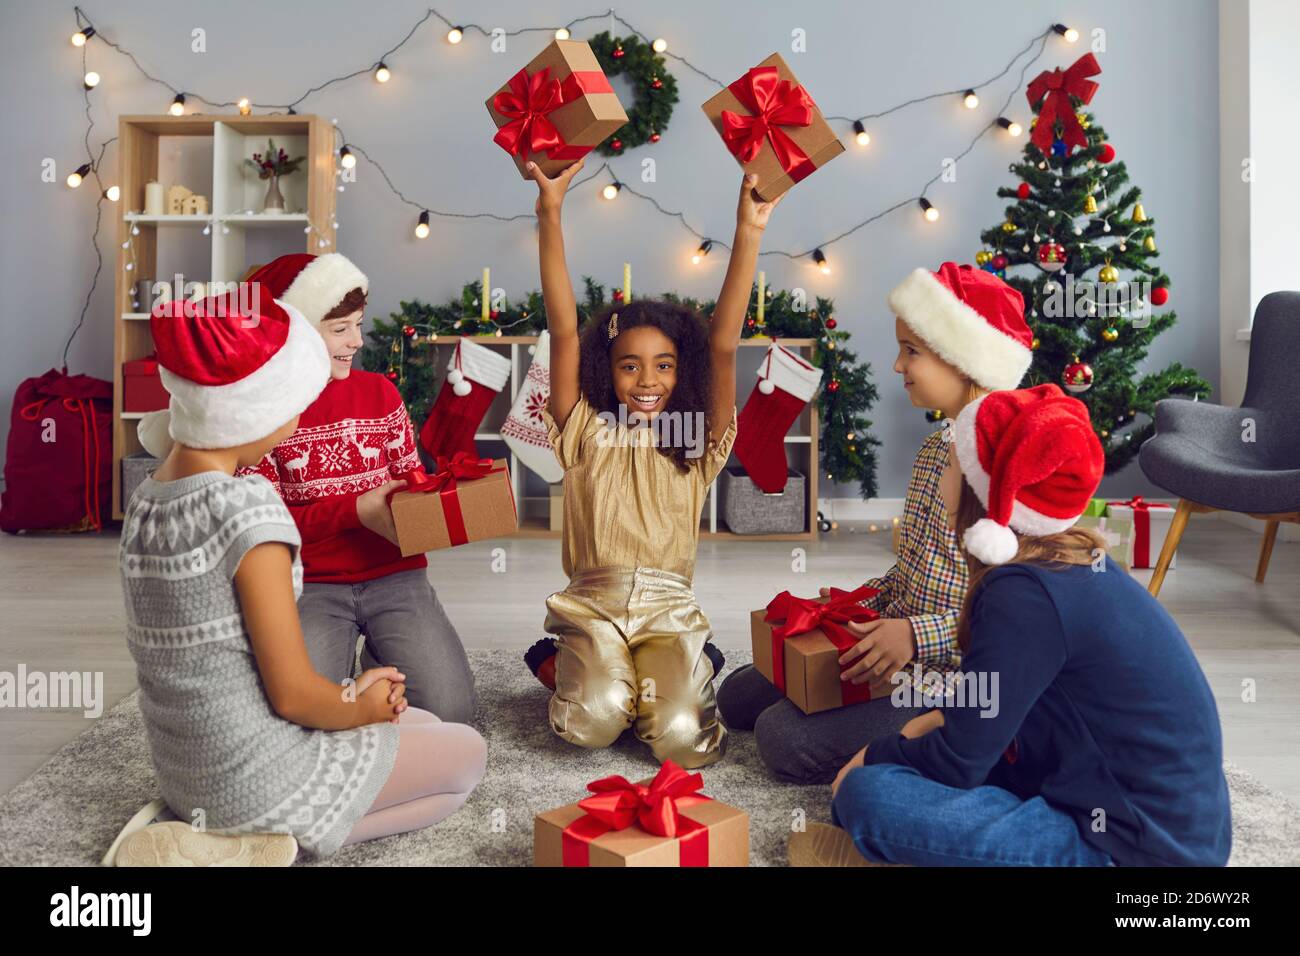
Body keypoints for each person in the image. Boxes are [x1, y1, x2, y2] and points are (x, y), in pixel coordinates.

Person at [115, 290, 485, 865]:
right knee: (466, 757)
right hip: (258, 773)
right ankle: (233, 843)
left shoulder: (145, 500)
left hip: (185, 775)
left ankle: (218, 829)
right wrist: (355, 704)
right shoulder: (249, 510)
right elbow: (292, 696)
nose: (294, 422)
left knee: (429, 717)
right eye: (290, 404)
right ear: (251, 408)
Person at [796, 384, 1232, 867]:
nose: (941, 481)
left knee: (870, 795)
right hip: (1144, 815)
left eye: (951, 467)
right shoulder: (1067, 563)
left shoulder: (1022, 595)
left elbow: (960, 763)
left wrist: (877, 755)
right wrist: (929, 724)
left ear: (985, 495)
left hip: (1132, 849)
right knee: (917, 756)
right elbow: (994, 706)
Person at [718, 263, 1034, 783]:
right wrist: (860, 603)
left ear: (964, 359)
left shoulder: (1006, 470)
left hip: (956, 682)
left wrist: (914, 635)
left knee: (782, 737)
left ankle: (961, 750)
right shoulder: (938, 448)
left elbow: (1019, 625)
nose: (896, 365)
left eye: (912, 351)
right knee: (738, 696)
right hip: (900, 645)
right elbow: (921, 570)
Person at [522, 159, 781, 768]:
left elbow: (722, 342)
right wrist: (550, 210)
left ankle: (689, 664)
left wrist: (749, 229)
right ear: (604, 372)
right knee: (590, 724)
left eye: (664, 365)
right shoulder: (583, 426)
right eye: (629, 364)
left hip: (670, 609)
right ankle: (566, 660)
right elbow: (563, 329)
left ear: (680, 372)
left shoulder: (697, 439)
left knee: (685, 744)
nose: (647, 380)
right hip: (593, 606)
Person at [238, 253, 477, 722]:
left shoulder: (380, 394)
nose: (357, 341)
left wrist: (433, 506)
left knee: (454, 713)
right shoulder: (266, 416)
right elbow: (262, 528)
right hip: (312, 585)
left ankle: (376, 657)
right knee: (301, 716)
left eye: (358, 325)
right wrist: (355, 510)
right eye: (340, 329)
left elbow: (409, 488)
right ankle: (355, 663)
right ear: (300, 331)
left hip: (395, 576)